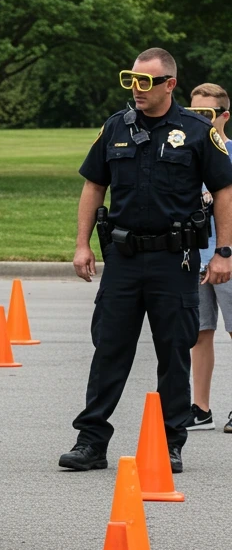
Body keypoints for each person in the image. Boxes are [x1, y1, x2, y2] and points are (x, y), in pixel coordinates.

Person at [62, 47, 232, 474]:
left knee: (173, 352)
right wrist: (82, 244)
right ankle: (91, 441)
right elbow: (93, 186)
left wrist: (225, 251)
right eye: (131, 80)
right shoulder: (115, 127)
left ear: (169, 84)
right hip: (123, 257)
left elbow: (225, 191)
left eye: (146, 82)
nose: (136, 89)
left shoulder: (197, 130)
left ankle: (170, 442)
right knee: (109, 348)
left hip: (175, 260)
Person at [184, 83, 232, 431]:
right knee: (199, 333)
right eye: (193, 113)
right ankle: (200, 408)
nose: (198, 120)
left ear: (224, 117)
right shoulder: (185, 154)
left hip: (227, 258)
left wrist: (224, 254)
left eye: (206, 114)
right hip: (194, 258)